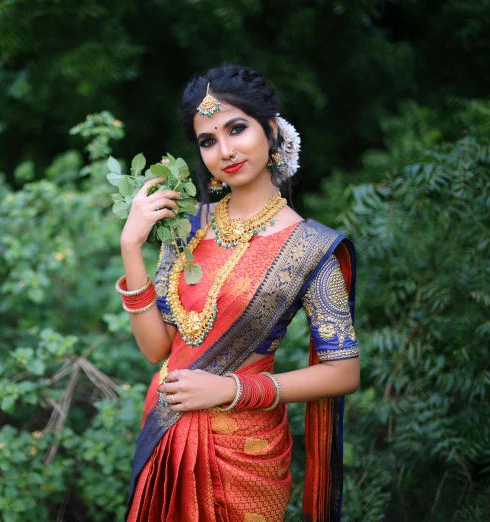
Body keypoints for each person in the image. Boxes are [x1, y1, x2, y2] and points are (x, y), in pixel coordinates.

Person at [116, 65, 360, 522]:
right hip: (168, 436)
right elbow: (156, 349)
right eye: (208, 140)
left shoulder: (312, 249)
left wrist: (230, 388)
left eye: (237, 129)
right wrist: (131, 246)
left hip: (245, 455)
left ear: (270, 130)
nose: (225, 150)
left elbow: (343, 373)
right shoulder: (184, 228)